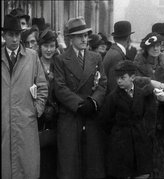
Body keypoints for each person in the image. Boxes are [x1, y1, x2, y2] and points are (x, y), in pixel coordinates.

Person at [53, 16, 107, 179]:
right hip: (70, 116)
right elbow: (60, 88)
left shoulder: (95, 58)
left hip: (91, 115)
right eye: (80, 36)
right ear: (70, 39)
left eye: (86, 35)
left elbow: (103, 83)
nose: (85, 39)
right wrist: (80, 104)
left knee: (91, 164)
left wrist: (93, 102)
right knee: (70, 165)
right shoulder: (61, 59)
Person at [2, 14, 48, 179]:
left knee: (27, 167)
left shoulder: (32, 56)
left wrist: (36, 110)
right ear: (4, 36)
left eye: (17, 34)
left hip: (26, 122)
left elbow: (42, 86)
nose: (15, 39)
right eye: (10, 35)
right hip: (4, 122)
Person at [134, 32, 164, 179]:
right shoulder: (136, 64)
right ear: (145, 48)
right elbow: (132, 85)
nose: (156, 49)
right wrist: (149, 83)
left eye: (158, 45)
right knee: (145, 165)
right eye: (152, 46)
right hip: (143, 119)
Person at [100, 60, 156, 179]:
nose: (118, 81)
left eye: (122, 77)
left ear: (132, 77)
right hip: (120, 141)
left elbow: (148, 115)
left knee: (142, 172)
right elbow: (105, 120)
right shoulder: (113, 97)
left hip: (139, 139)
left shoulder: (141, 94)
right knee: (123, 173)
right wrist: (117, 133)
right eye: (117, 78)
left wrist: (144, 131)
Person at [38, 28, 59, 179]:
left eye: (52, 46)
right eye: (46, 46)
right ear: (40, 46)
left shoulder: (59, 65)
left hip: (56, 119)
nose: (49, 49)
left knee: (54, 160)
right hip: (38, 119)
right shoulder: (33, 64)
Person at [103, 21, 135, 93]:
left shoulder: (114, 51)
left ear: (114, 38)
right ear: (128, 38)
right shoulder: (117, 56)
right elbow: (114, 85)